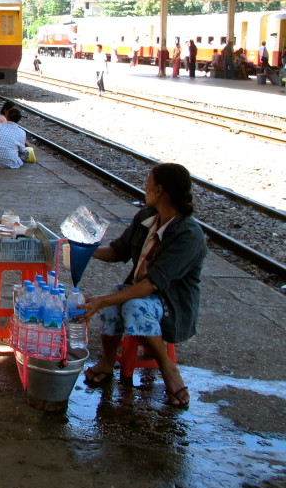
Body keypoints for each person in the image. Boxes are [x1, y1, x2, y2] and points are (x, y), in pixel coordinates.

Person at [81, 163, 206, 408]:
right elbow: (118, 251)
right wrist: (85, 249)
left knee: (130, 306)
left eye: (148, 183)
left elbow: (152, 285)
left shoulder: (188, 236)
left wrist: (104, 300)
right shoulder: (147, 217)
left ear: (160, 190)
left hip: (171, 304)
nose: (145, 187)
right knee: (113, 303)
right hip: (141, 292)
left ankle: (168, 369)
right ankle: (107, 361)